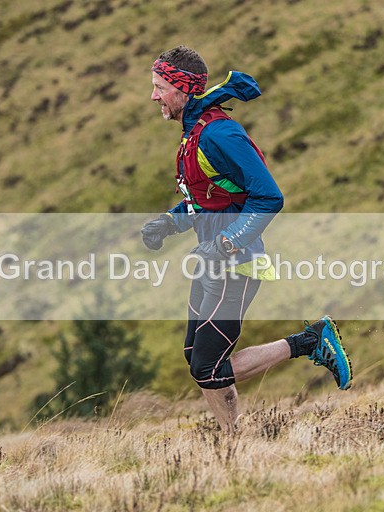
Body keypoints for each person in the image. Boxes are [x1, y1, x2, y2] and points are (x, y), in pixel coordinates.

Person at [141, 45, 352, 432]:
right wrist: (169, 222)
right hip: (210, 260)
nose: (153, 96)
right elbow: (214, 200)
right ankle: (233, 441)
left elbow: (269, 196)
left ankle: (305, 346)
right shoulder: (195, 133)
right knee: (197, 358)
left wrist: (225, 245)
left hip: (234, 262)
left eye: (159, 87)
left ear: (182, 89)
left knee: (208, 365)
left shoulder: (220, 133)